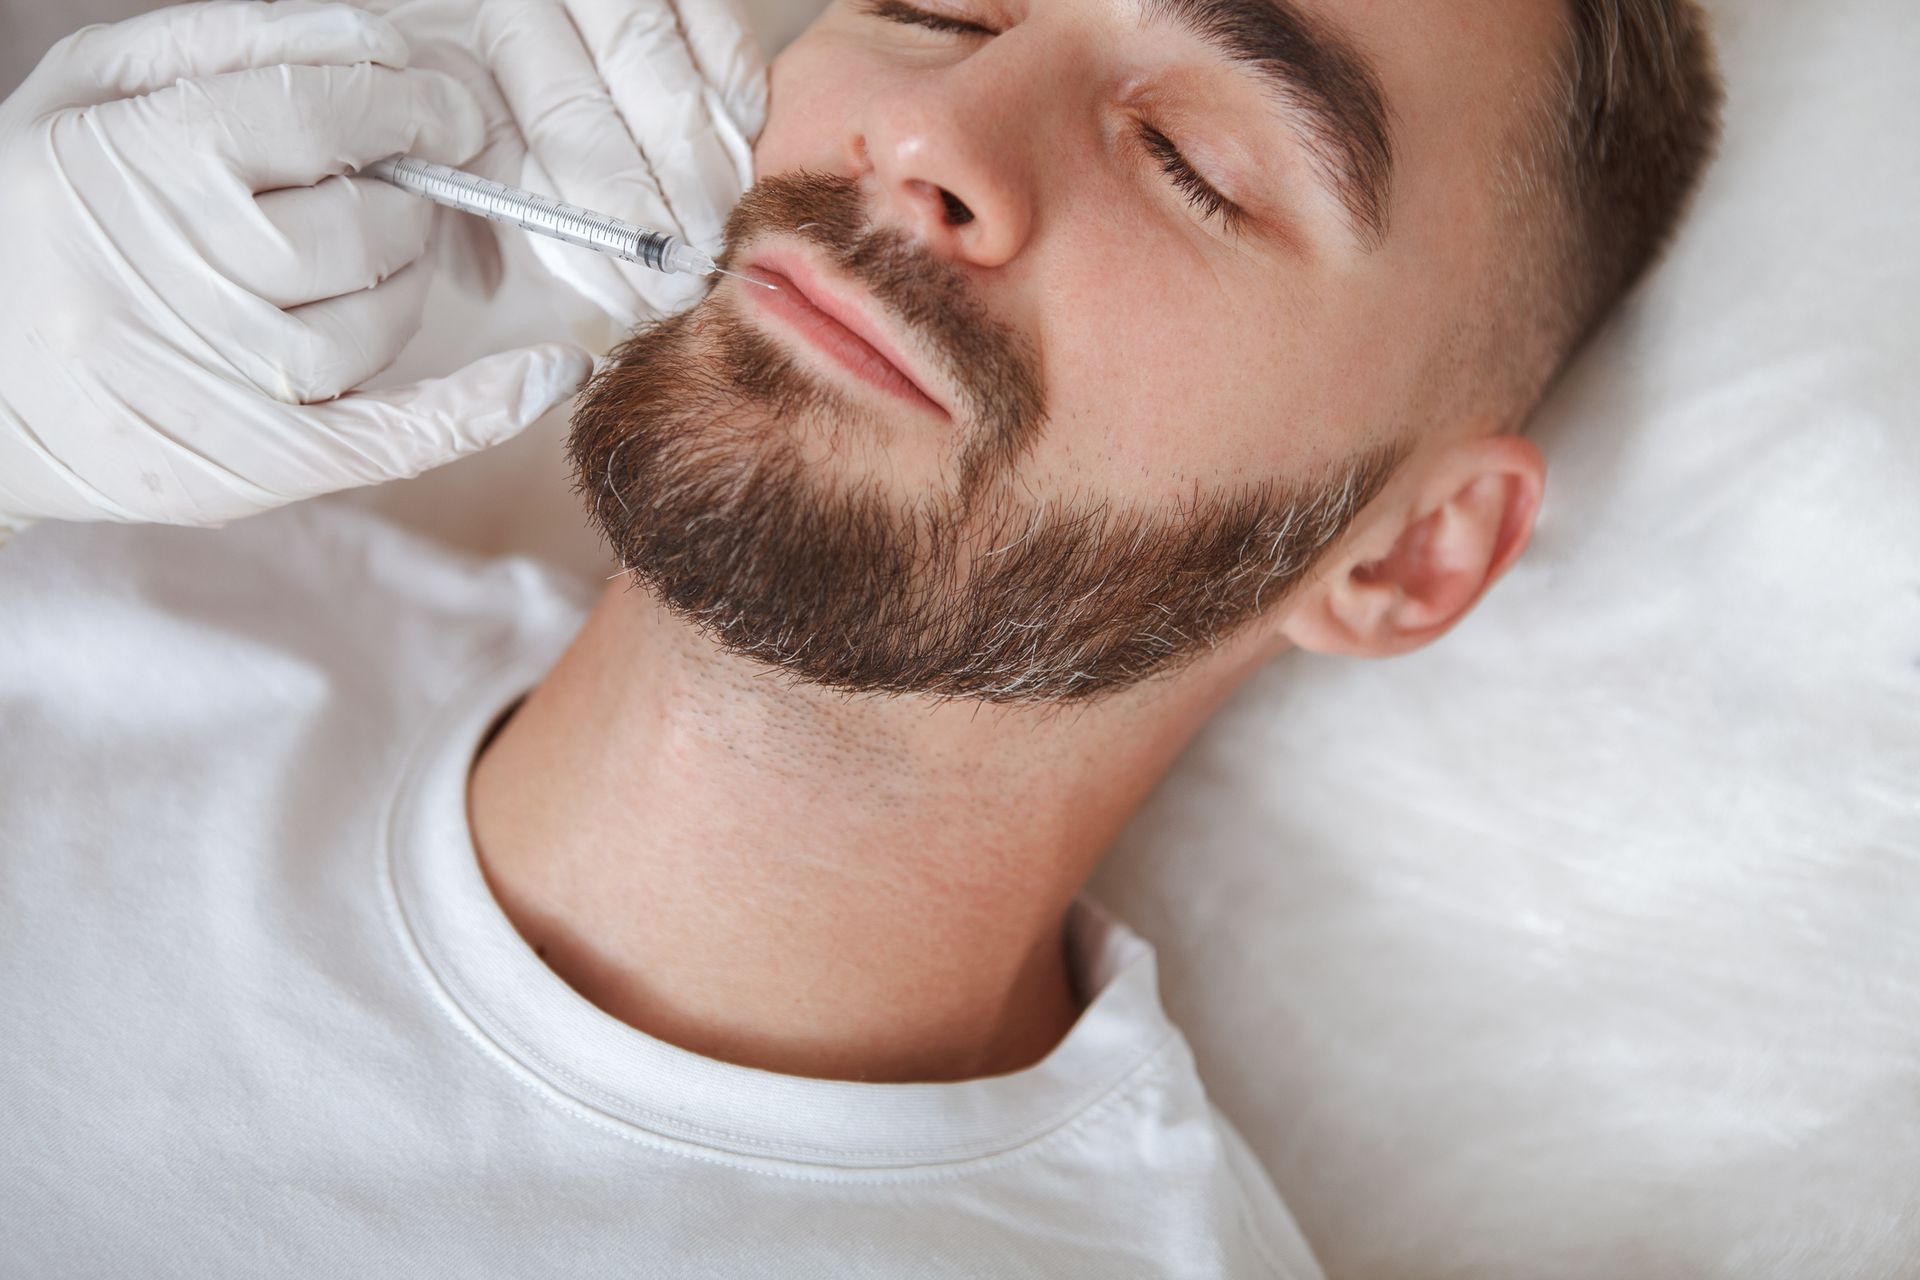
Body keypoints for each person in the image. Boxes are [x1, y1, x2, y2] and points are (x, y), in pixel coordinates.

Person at [0, 0, 1722, 1273]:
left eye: (1195, 164)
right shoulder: (83, 557)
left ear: (1411, 557)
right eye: (938, 7)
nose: (935, 135)